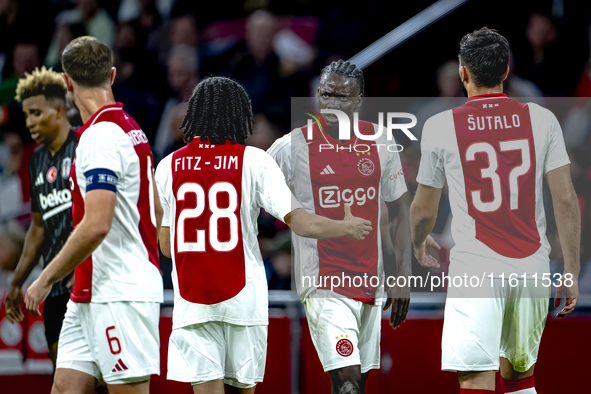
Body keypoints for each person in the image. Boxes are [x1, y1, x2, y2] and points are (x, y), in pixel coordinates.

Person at [155, 76, 372, 394]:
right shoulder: (254, 161)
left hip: (193, 301)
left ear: (194, 115)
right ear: (239, 116)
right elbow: (301, 224)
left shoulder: (168, 166)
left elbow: (167, 247)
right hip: (243, 298)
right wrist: (345, 227)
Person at [410, 28, 580, 394]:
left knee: (476, 382)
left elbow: (423, 209)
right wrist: (571, 270)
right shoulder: (541, 119)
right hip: (533, 268)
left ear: (463, 73)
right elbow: (566, 199)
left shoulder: (441, 125)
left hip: (477, 271)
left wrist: (418, 242)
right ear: (506, 73)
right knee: (521, 381)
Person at [268, 59, 436, 394]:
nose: (332, 104)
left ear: (359, 100)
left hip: (370, 284)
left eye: (342, 98)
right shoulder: (290, 148)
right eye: (325, 95)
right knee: (347, 383)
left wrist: (402, 275)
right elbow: (251, 187)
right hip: (324, 283)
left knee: (355, 383)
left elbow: (398, 213)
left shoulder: (381, 142)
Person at [24, 36, 163, 394]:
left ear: (67, 83)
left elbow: (98, 222)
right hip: (89, 291)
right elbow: (156, 210)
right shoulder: (131, 129)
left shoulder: (101, 137)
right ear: (112, 75)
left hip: (119, 294)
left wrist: (46, 278)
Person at [3, 66, 76, 370]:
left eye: (37, 113)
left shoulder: (87, 148)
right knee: (63, 375)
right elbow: (37, 227)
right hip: (56, 285)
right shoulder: (38, 160)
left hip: (90, 284)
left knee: (105, 381)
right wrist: (18, 282)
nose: (30, 122)